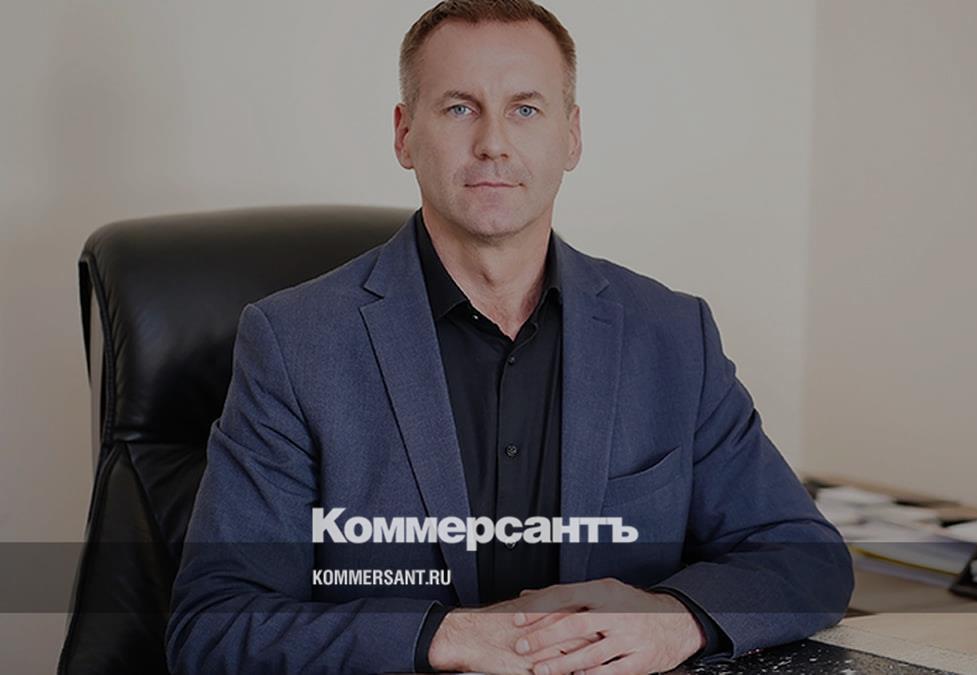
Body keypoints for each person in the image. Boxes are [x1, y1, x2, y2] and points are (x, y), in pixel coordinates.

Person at [166, 1, 854, 673]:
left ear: (571, 136)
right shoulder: (294, 343)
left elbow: (804, 555)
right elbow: (215, 624)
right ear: (404, 135)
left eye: (525, 109)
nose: (494, 142)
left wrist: (675, 618)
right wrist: (446, 637)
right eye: (459, 107)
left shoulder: (672, 334)